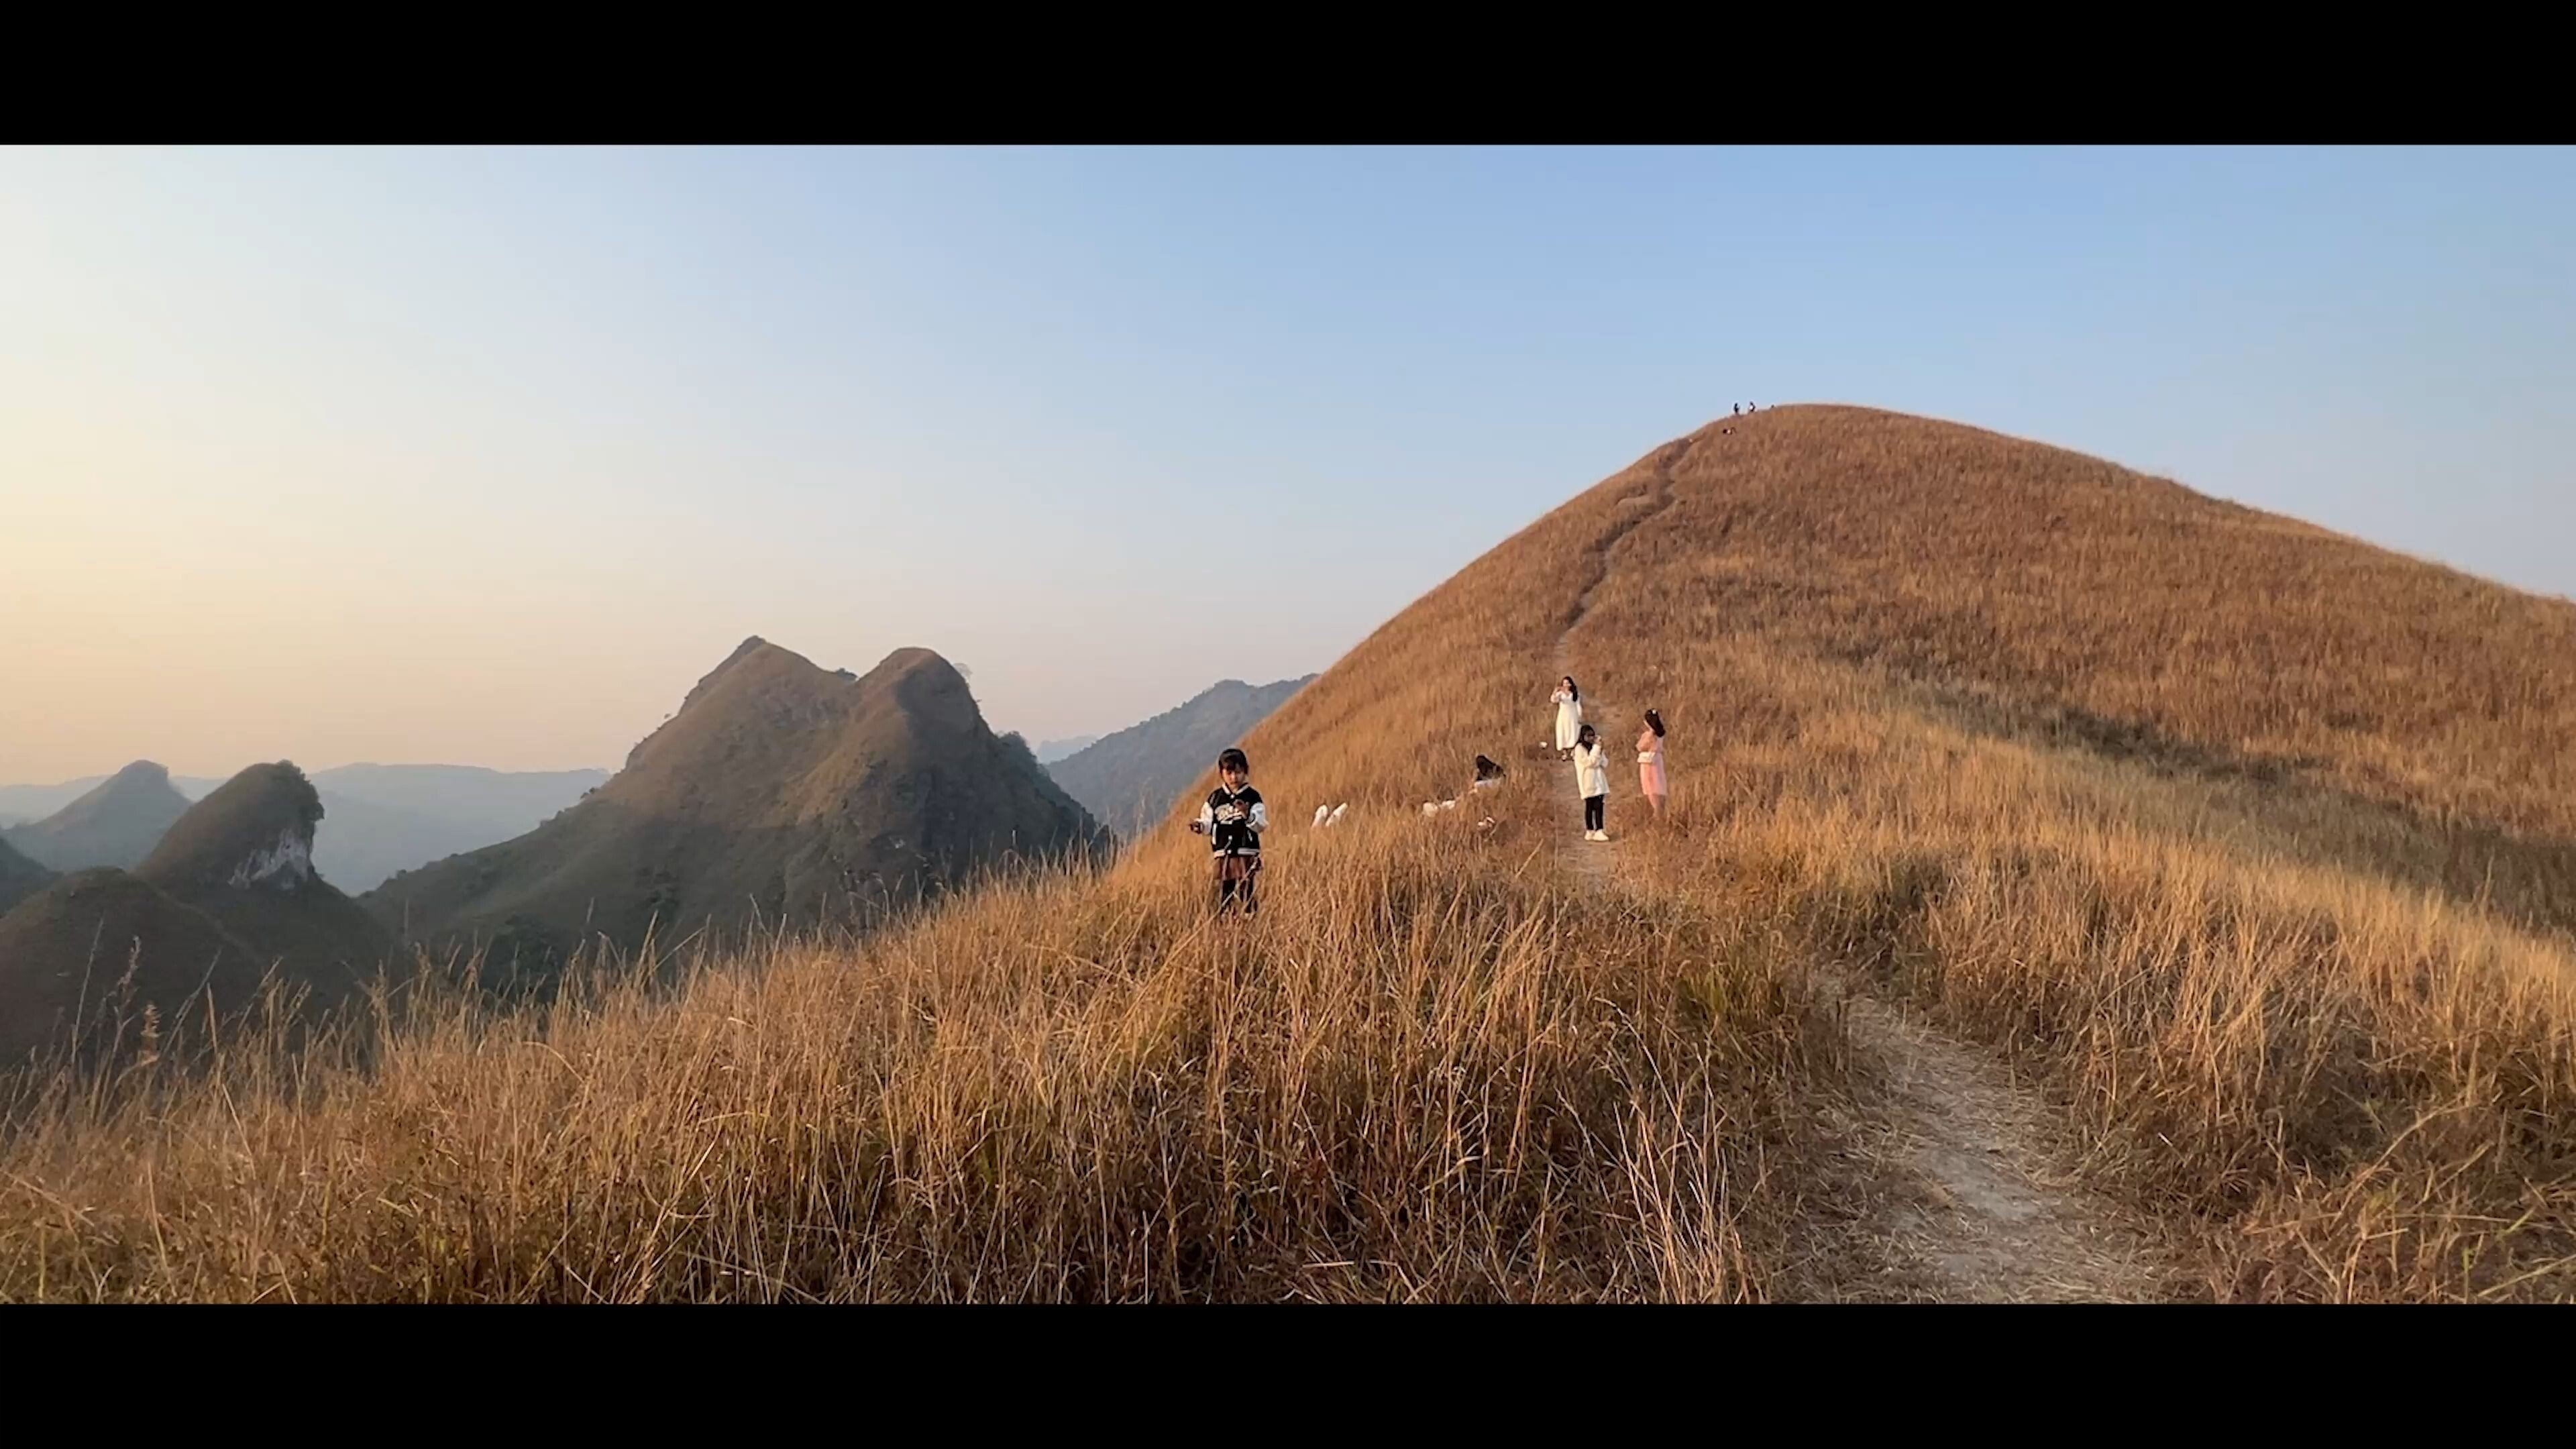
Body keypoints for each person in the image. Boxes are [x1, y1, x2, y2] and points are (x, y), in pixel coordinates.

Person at [1187, 747, 1268, 916]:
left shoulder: (1252, 797)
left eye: (1238, 772)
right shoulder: (1215, 798)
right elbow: (1209, 823)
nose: (1234, 777)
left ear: (1245, 771)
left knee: (1247, 889)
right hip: (1223, 853)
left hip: (1246, 852)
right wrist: (1200, 826)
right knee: (1225, 891)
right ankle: (1226, 922)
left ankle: (1250, 919)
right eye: (1229, 773)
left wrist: (1247, 815)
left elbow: (1260, 825)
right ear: (1221, 773)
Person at [1572, 723, 1611, 841]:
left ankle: (1600, 829)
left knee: (1599, 806)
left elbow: (1604, 763)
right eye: (1588, 736)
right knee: (1590, 806)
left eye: (1592, 736)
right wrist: (1597, 749)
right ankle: (1590, 830)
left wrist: (1600, 750)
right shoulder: (1579, 749)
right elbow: (1590, 763)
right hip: (1587, 782)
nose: (1590, 738)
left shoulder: (1595, 748)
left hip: (1599, 781)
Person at [1638, 708, 1668, 819]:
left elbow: (1640, 747)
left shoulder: (1649, 735)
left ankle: (1657, 813)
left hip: (1649, 763)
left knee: (1651, 786)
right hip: (1658, 761)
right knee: (1659, 783)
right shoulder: (1661, 734)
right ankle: (1660, 811)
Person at [1552, 677, 1584, 759]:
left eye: (1567, 683)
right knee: (1563, 732)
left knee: (1573, 732)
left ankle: (1573, 752)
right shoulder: (1560, 694)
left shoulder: (1575, 694)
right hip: (1563, 715)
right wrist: (1555, 691)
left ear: (1570, 684)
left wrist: (1580, 715)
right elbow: (1554, 700)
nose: (1565, 685)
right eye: (1564, 683)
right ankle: (1564, 753)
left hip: (1572, 715)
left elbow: (1578, 705)